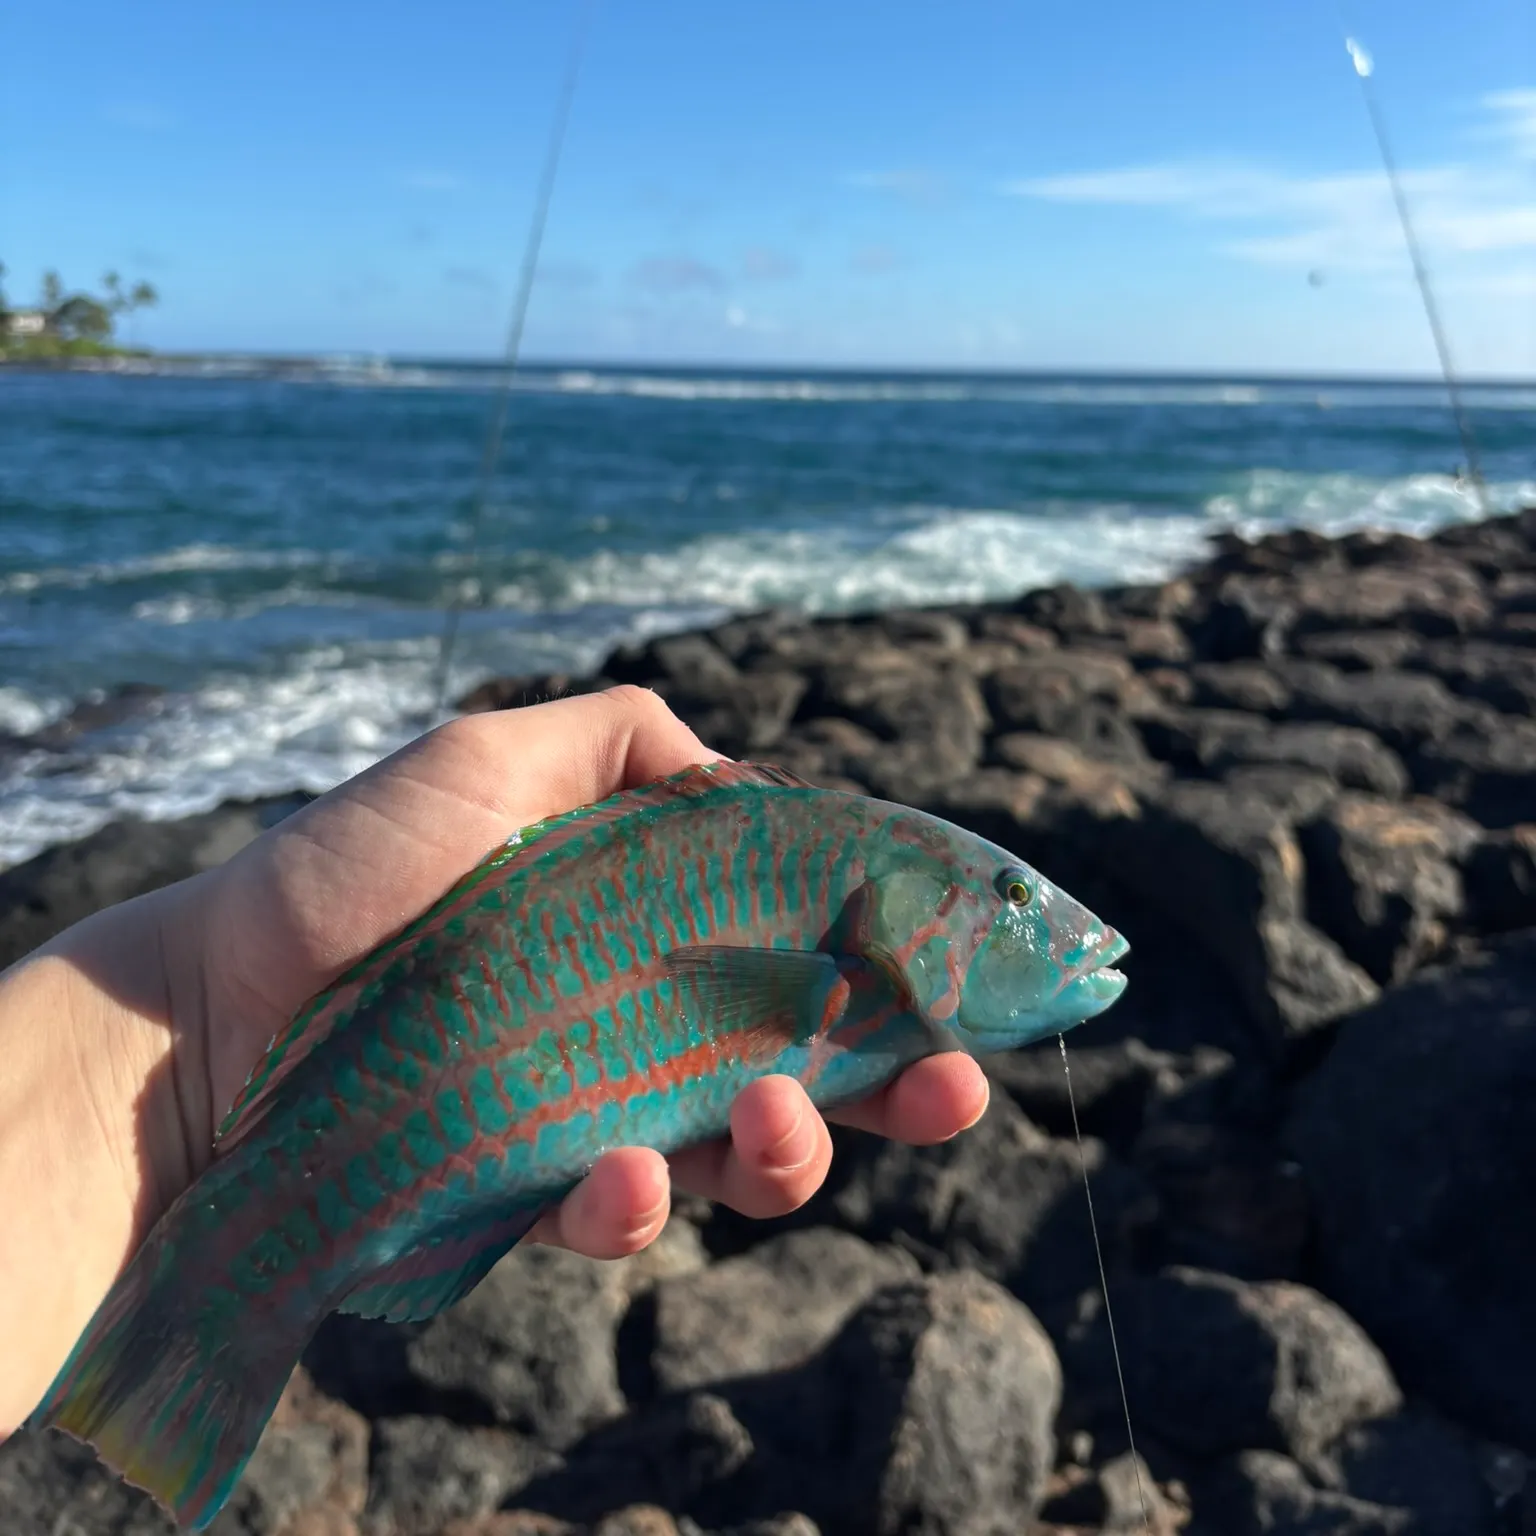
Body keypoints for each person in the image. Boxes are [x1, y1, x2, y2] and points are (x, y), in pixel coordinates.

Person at [0, 686, 988, 1435]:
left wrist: (174, 1010)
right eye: (1004, 897)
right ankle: (201, 1326)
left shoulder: (860, 945)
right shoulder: (845, 928)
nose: (1038, 919)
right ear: (898, 907)